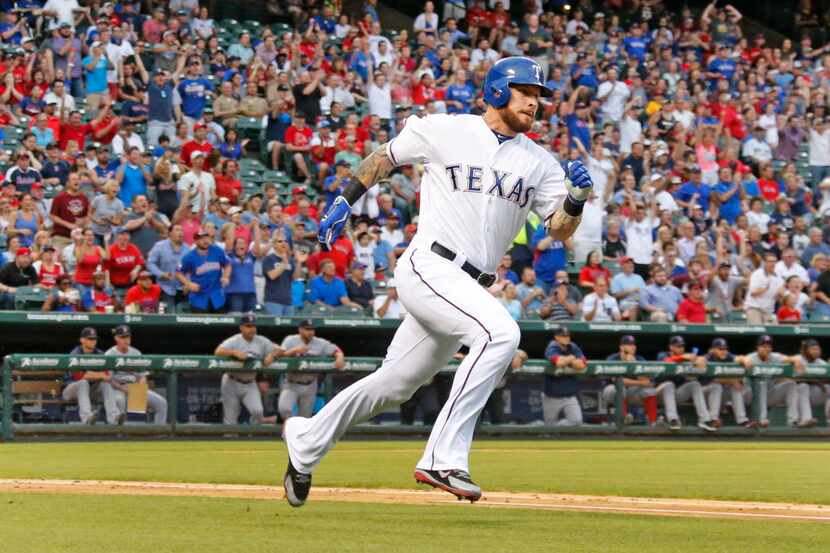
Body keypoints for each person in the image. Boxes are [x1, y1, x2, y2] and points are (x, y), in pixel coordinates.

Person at [282, 57, 591, 506]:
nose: (534, 102)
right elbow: (386, 157)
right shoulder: (448, 129)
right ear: (499, 90)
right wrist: (344, 199)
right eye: (525, 91)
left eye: (539, 95)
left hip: (468, 286)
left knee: (395, 385)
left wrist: (576, 200)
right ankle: (443, 458)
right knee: (500, 333)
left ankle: (305, 440)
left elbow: (558, 229)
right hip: (429, 265)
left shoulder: (539, 163)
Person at [214, 313, 284, 425]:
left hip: (250, 382)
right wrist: (234, 352)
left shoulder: (262, 341)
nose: (252, 329)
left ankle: (253, 438)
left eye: (254, 326)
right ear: (241, 327)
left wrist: (272, 355)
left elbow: (281, 350)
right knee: (230, 418)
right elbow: (218, 352)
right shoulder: (234, 340)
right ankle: (230, 439)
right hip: (231, 381)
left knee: (257, 411)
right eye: (248, 326)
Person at [278, 319, 345, 422]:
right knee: (284, 409)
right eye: (307, 329)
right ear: (300, 330)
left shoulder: (320, 343)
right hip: (291, 383)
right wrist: (293, 351)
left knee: (305, 418)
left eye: (312, 329)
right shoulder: (290, 340)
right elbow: (279, 355)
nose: (310, 332)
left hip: (310, 384)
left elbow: (336, 350)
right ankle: (290, 428)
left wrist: (339, 356)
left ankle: (298, 436)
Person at [104, 325, 168, 424]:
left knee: (161, 403)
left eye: (128, 337)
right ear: (116, 338)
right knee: (119, 401)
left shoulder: (136, 353)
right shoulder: (109, 354)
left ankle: (159, 433)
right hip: (118, 388)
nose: (126, 340)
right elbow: (109, 379)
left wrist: (139, 389)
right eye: (122, 337)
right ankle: (119, 434)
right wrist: (124, 389)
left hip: (135, 387)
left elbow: (142, 376)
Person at [656, 336, 717, 432]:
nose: (681, 348)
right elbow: (666, 361)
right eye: (678, 346)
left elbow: (699, 369)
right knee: (669, 384)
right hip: (659, 394)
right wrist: (683, 357)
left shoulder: (687, 359)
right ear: (671, 347)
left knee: (695, 384)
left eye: (682, 346)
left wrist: (700, 359)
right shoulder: (662, 354)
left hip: (676, 394)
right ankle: (673, 419)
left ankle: (704, 420)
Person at [743, 335, 801, 428]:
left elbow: (789, 359)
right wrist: (745, 361)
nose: (767, 349)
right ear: (758, 348)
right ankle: (761, 420)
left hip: (769, 394)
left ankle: (793, 420)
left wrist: (796, 361)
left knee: (791, 385)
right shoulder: (751, 358)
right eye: (764, 346)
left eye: (769, 346)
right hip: (750, 395)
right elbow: (741, 361)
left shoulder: (774, 357)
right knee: (761, 383)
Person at [61, 327, 116, 425]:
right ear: (82, 340)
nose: (93, 341)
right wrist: (99, 375)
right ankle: (87, 419)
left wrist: (92, 375)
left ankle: (114, 418)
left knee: (106, 384)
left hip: (91, 391)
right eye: (90, 338)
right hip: (70, 390)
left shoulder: (100, 354)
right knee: (82, 383)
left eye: (94, 339)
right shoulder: (75, 353)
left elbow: (107, 376)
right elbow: (80, 377)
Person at [601, 335, 658, 426]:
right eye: (629, 344)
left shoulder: (639, 359)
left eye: (634, 344)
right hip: (611, 391)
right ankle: (624, 418)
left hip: (631, 392)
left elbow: (647, 382)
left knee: (649, 390)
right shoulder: (612, 359)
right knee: (620, 388)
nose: (633, 347)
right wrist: (639, 383)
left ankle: (653, 422)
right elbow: (618, 381)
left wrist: (635, 364)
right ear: (621, 347)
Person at [177, 229, 231, 313]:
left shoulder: (217, 251)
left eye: (206, 237)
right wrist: (188, 283)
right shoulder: (189, 257)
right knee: (200, 325)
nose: (205, 240)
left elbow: (228, 264)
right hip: (199, 299)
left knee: (220, 325)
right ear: (196, 241)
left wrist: (226, 276)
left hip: (217, 297)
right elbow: (178, 272)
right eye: (201, 238)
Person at [704, 338, 754, 428]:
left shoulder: (727, 356)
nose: (723, 351)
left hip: (719, 396)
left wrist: (745, 360)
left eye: (725, 349)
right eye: (720, 349)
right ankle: (713, 419)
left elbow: (738, 358)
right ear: (713, 349)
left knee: (735, 387)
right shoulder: (708, 357)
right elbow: (710, 380)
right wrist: (730, 380)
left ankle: (742, 420)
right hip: (705, 394)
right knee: (717, 386)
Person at [542, 325, 586, 426]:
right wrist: (571, 358)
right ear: (556, 337)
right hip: (551, 396)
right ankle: (551, 430)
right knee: (548, 429)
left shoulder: (573, 346)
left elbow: (582, 364)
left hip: (569, 396)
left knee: (577, 421)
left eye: (567, 336)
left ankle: (556, 429)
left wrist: (568, 361)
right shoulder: (552, 346)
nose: (566, 338)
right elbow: (558, 362)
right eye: (563, 336)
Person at [147, 224, 188, 310]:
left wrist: (188, 283)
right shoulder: (159, 246)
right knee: (168, 317)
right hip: (164, 288)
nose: (180, 233)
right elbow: (150, 263)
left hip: (183, 289)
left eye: (182, 230)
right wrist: (161, 274)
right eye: (177, 230)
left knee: (183, 317)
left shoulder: (187, 248)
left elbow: (191, 268)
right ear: (170, 233)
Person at [744, 252, 785, 324]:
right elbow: (753, 293)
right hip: (754, 308)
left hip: (768, 310)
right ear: (765, 263)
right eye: (770, 261)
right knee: (758, 330)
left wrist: (780, 295)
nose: (773, 264)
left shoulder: (778, 277)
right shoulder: (757, 274)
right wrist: (765, 288)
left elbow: (778, 298)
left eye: (774, 261)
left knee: (775, 330)